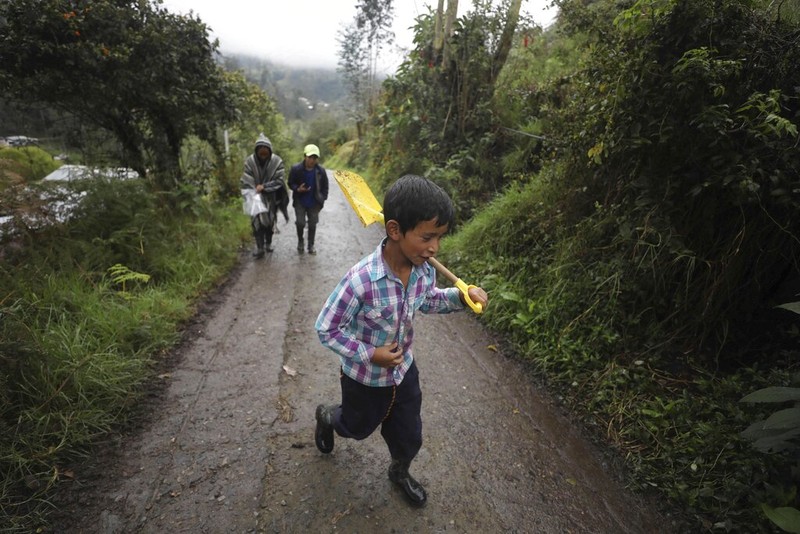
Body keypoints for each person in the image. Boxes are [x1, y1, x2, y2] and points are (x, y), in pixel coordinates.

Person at [313, 174, 489, 507]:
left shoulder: (424, 271)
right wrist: (369, 353)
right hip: (365, 380)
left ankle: (400, 470)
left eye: (439, 237)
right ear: (395, 230)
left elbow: (429, 300)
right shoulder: (361, 281)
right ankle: (326, 417)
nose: (435, 247)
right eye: (427, 237)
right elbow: (327, 328)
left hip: (404, 372)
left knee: (409, 434)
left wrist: (462, 296)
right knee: (356, 427)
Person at [241, 134, 288, 258]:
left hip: (271, 197)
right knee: (256, 221)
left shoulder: (277, 162)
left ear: (269, 151)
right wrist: (253, 189)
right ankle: (260, 248)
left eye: (265, 153)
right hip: (254, 196)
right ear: (256, 151)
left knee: (269, 221)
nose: (263, 156)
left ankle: (268, 243)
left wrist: (265, 186)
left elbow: (280, 180)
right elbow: (246, 179)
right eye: (260, 152)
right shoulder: (250, 162)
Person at [287, 144, 328, 255]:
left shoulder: (321, 171)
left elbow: (325, 187)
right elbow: (290, 183)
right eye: (310, 157)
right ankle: (301, 241)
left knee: (312, 224)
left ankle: (311, 245)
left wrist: (322, 200)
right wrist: (297, 189)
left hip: (314, 202)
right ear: (305, 156)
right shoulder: (296, 169)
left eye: (314, 158)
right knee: (300, 223)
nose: (312, 160)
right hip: (300, 200)